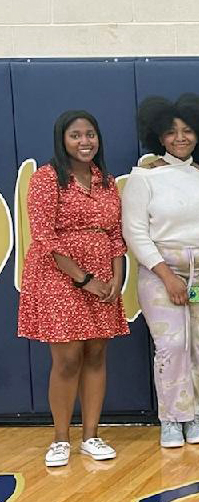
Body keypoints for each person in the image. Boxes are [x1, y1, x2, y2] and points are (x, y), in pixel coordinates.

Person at [122, 93, 199, 449]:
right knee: (172, 345)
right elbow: (135, 232)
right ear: (159, 136)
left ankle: (195, 416)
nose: (180, 138)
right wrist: (167, 276)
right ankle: (171, 419)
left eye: (187, 131)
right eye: (172, 132)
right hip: (161, 274)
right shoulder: (143, 178)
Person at [17, 110, 128, 467]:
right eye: (76, 135)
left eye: (90, 134)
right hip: (58, 274)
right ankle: (60, 439)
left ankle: (91, 436)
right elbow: (46, 239)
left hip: (102, 277)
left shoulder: (106, 180)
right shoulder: (47, 179)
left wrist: (116, 278)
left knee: (96, 355)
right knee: (67, 359)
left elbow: (115, 234)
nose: (85, 142)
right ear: (62, 140)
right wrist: (85, 280)